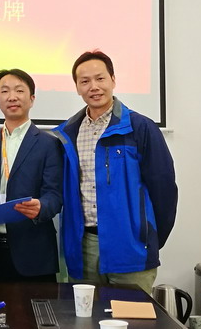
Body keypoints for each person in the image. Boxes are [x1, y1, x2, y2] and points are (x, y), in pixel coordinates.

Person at [53, 51, 177, 294]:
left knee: (130, 314)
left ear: (113, 80)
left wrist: (148, 238)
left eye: (100, 78)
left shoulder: (140, 128)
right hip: (84, 248)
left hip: (130, 247)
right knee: (86, 314)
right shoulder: (68, 133)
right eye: (85, 81)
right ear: (77, 87)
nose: (94, 87)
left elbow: (164, 190)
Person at [0, 69, 63, 282]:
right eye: (5, 91)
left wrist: (41, 207)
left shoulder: (49, 144)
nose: (12, 97)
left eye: (19, 91)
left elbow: (55, 194)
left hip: (34, 252)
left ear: (32, 99)